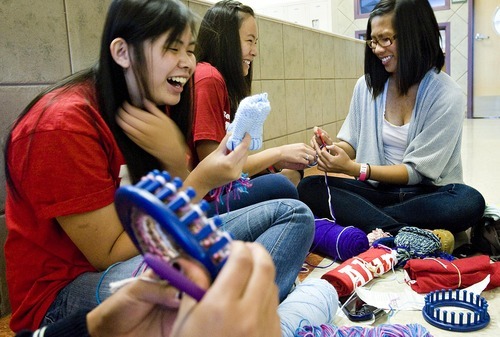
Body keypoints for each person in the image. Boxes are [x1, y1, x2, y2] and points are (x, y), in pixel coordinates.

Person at [3, 0, 316, 331]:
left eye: (190, 50)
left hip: (149, 249)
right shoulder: (62, 125)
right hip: (66, 294)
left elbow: (183, 211)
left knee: (294, 215)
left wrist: (180, 166)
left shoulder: (157, 104)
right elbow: (110, 253)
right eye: (172, 48)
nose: (188, 63)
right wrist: (200, 180)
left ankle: (228, 319)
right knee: (183, 278)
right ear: (123, 52)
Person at [298, 0, 485, 236]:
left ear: (415, 36)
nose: (376, 50)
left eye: (385, 39)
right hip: (376, 191)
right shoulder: (366, 87)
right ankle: (402, 231)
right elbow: (352, 143)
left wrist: (357, 169)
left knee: (468, 201)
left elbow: (417, 172)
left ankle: (373, 223)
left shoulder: (447, 95)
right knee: (309, 186)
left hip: (425, 194)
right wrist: (330, 149)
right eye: (373, 41)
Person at [191, 0, 317, 215]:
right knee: (282, 186)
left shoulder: (219, 81)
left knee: (294, 176)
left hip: (220, 190)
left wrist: (277, 163)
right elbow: (217, 168)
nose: (255, 51)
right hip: (202, 201)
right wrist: (277, 154)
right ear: (226, 42)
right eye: (250, 41)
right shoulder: (208, 77)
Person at [15, 241, 282, 337]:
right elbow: (106, 252)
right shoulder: (61, 128)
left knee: (290, 209)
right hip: (60, 296)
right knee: (289, 210)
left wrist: (97, 328)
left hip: (111, 310)